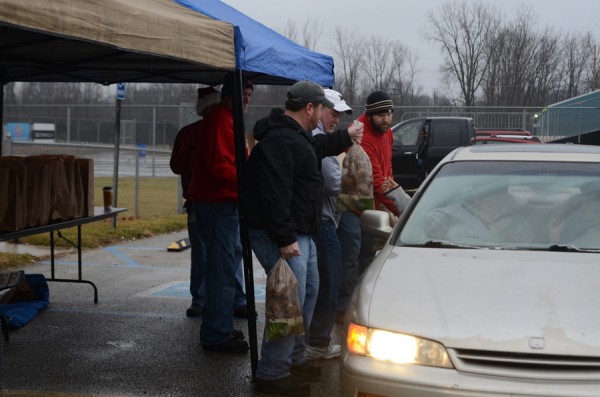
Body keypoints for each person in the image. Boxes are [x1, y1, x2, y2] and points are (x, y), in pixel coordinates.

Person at [240, 80, 363, 396]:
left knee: (307, 292)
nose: (324, 113)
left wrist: (344, 137)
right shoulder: (281, 142)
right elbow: (274, 194)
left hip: (299, 232)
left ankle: (294, 358)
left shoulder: (298, 138)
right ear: (310, 108)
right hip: (281, 234)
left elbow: (318, 148)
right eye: (322, 107)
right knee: (289, 301)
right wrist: (283, 238)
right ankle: (273, 370)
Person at [188, 73, 253, 353]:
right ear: (231, 96)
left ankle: (221, 326)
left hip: (222, 205)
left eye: (250, 97)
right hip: (217, 206)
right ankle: (216, 333)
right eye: (244, 96)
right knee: (220, 272)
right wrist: (248, 180)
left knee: (223, 270)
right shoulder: (221, 120)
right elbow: (220, 168)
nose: (247, 101)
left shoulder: (227, 119)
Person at [336, 90, 399, 322]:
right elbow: (377, 182)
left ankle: (362, 305)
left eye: (389, 113)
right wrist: (401, 207)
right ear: (370, 114)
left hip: (372, 206)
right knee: (351, 256)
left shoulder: (387, 133)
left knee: (367, 255)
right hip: (353, 207)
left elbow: (387, 170)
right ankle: (343, 308)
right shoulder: (361, 133)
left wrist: (391, 190)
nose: (386, 119)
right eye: (381, 114)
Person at [305, 89, 355, 361]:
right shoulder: (320, 141)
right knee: (328, 281)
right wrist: (352, 182)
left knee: (319, 282)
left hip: (321, 219)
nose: (336, 119)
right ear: (318, 109)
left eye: (340, 115)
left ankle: (312, 340)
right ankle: (319, 341)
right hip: (322, 221)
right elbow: (333, 183)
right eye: (334, 113)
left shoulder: (318, 138)